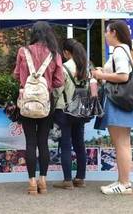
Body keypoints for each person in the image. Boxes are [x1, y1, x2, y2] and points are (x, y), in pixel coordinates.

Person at [91, 20, 133, 195]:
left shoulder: (119, 50)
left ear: (113, 32)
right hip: (123, 102)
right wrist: (104, 72)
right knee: (123, 143)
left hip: (117, 101)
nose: (105, 35)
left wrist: (100, 74)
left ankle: (124, 183)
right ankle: (123, 181)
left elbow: (123, 76)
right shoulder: (125, 50)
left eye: (107, 32)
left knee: (121, 143)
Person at [14, 21, 64, 195]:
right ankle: (43, 180)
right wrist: (47, 82)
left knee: (30, 142)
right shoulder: (54, 53)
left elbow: (15, 75)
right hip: (46, 102)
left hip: (27, 100)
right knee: (43, 141)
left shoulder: (23, 51)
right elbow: (59, 81)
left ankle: (32, 183)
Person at [52, 38, 88, 190]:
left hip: (64, 111)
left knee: (66, 145)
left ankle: (67, 180)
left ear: (66, 53)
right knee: (80, 145)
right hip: (80, 111)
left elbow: (57, 91)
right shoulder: (87, 67)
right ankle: (80, 178)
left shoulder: (63, 68)